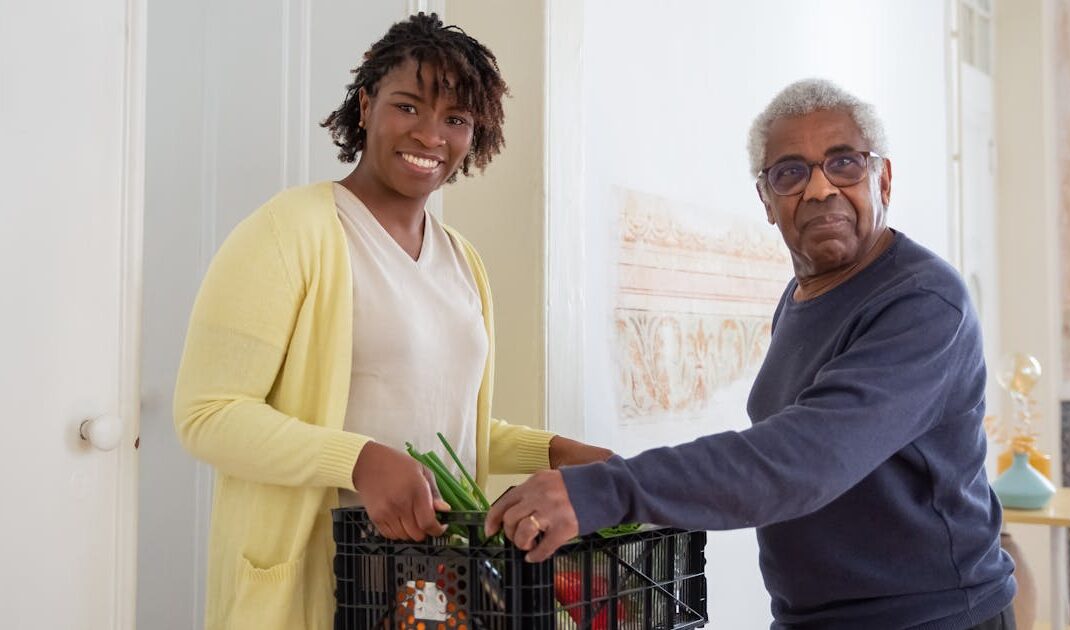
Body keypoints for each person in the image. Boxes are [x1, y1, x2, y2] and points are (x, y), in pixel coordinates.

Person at [486, 79, 1017, 630]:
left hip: (934, 617)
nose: (819, 189)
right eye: (790, 172)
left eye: (844, 163)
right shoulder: (804, 294)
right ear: (766, 200)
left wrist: (608, 491)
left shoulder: (923, 303)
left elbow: (805, 457)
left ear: (882, 177)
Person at [173, 13, 610, 630]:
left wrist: (552, 450)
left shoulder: (464, 261)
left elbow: (438, 422)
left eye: (455, 119)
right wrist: (357, 461)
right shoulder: (290, 232)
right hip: (317, 584)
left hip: (434, 589)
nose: (431, 135)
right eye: (409, 107)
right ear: (366, 104)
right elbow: (207, 415)